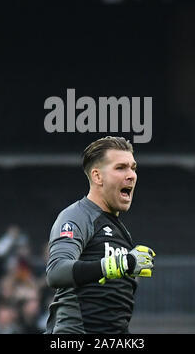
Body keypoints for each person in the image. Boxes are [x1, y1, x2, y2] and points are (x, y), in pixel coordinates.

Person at [45, 136, 155, 334]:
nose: (131, 175)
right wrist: (120, 264)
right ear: (97, 176)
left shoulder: (120, 231)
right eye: (121, 168)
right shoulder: (77, 216)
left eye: (133, 167)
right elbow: (56, 271)